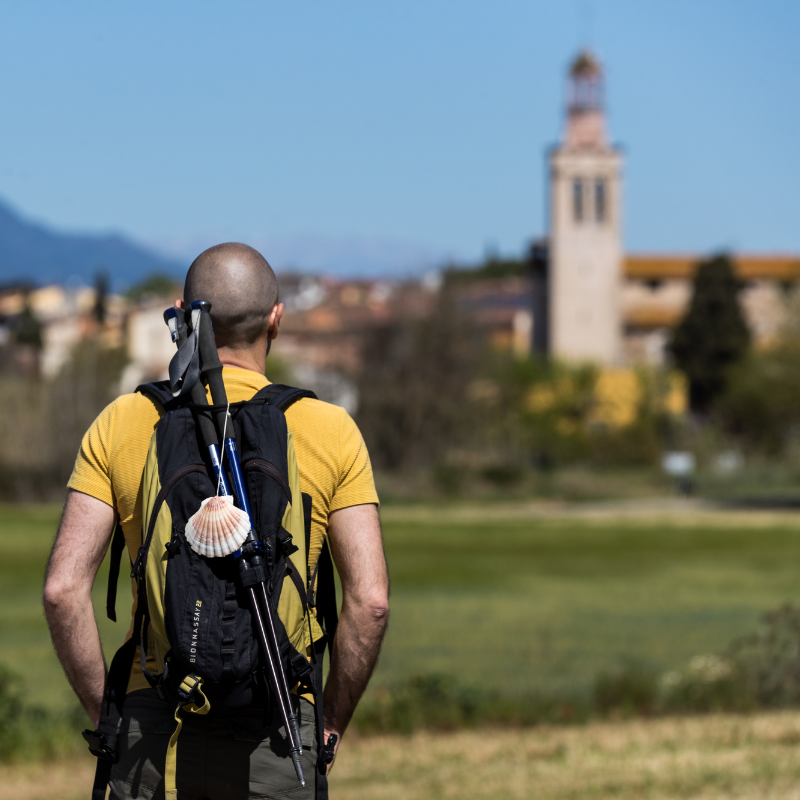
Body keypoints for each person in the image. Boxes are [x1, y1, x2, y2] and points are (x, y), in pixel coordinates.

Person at [43, 243, 390, 800]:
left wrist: (113, 714)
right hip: (277, 730)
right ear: (277, 317)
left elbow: (63, 591)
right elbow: (370, 603)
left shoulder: (125, 421)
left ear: (183, 315)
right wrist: (328, 724)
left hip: (153, 730)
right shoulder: (331, 430)